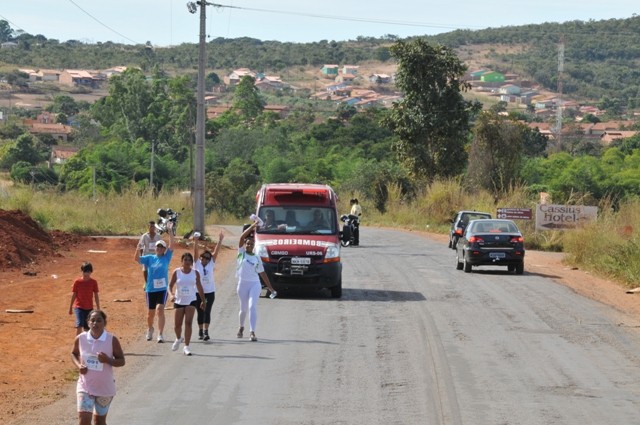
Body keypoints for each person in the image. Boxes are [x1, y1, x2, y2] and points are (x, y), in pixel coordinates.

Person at [71, 309, 125, 425]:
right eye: (92, 320)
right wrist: (79, 365)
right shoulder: (81, 338)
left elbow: (121, 361)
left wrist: (107, 360)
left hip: (105, 388)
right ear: (88, 322)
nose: (95, 323)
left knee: (99, 421)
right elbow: (74, 353)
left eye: (99, 320)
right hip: (85, 386)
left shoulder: (111, 339)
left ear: (104, 323)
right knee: (84, 420)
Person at [135, 221, 175, 343]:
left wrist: (170, 231)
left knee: (160, 309)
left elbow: (172, 245)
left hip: (162, 289)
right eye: (158, 246)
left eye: (161, 247)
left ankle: (160, 334)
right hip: (151, 289)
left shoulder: (166, 257)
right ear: (155, 248)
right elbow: (137, 259)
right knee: (150, 313)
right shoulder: (150, 258)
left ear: (164, 249)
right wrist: (137, 248)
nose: (159, 248)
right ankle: (150, 328)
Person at [236, 221, 277, 342]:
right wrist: (253, 226)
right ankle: (241, 327)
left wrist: (270, 287)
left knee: (252, 306)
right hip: (242, 284)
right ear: (245, 244)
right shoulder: (241, 253)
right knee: (243, 309)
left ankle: (252, 332)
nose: (249, 245)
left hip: (254, 284)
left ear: (254, 246)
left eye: (251, 244)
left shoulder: (256, 257)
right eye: (247, 243)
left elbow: (262, 273)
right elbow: (241, 237)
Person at [169, 252, 205, 356]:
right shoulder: (177, 272)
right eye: (185, 259)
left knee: (188, 323)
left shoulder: (195, 273)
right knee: (177, 325)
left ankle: (186, 346)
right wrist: (171, 295)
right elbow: (170, 286)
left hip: (191, 300)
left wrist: (203, 300)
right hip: (179, 300)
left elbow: (199, 286)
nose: (187, 262)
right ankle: (178, 338)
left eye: (189, 260)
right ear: (182, 261)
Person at [194, 231, 224, 341]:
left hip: (209, 292)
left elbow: (216, 252)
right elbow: (195, 251)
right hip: (198, 292)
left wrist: (220, 240)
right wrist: (196, 241)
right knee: (200, 312)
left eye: (208, 258)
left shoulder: (211, 263)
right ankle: (200, 330)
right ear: (200, 257)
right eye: (204, 257)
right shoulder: (196, 263)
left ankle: (206, 331)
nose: (206, 259)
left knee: (207, 310)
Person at [68, 262, 100, 335]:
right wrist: (70, 307)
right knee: (79, 325)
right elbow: (74, 295)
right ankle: (77, 341)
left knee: (87, 328)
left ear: (91, 272)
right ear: (82, 271)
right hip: (79, 307)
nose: (86, 274)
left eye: (88, 272)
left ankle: (86, 341)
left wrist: (98, 308)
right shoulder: (77, 282)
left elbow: (96, 295)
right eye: (85, 271)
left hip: (89, 308)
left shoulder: (93, 282)